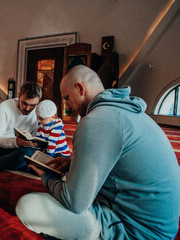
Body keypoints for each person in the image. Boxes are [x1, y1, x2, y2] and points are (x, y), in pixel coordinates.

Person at [16, 65, 180, 239]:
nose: (67, 106)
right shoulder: (127, 112)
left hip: (135, 231)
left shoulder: (96, 121)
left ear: (80, 88)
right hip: (159, 226)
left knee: (28, 206)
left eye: (67, 98)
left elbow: (74, 202)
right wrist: (73, 163)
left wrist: (46, 176)